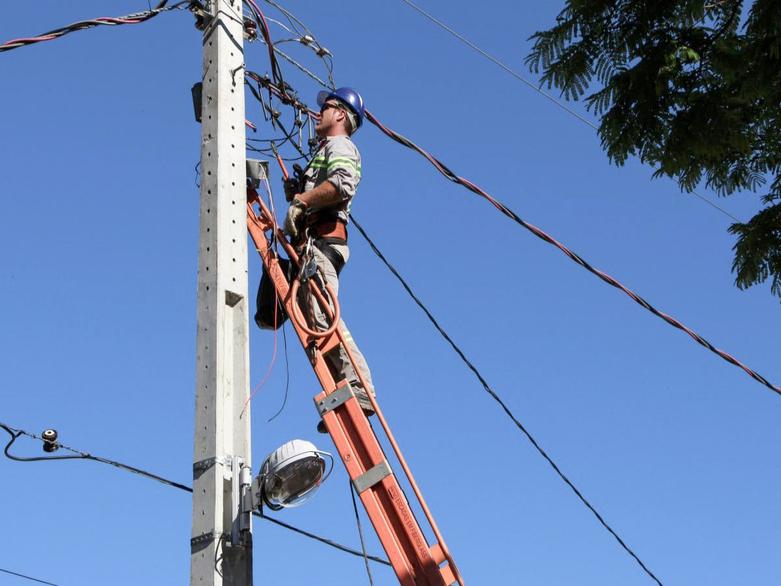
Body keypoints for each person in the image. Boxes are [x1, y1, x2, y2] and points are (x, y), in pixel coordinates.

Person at [283, 87, 376, 429]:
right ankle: (346, 391)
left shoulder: (340, 146)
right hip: (317, 241)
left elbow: (341, 184)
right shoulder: (326, 150)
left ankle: (358, 386)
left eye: (326, 107)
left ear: (340, 114)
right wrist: (298, 194)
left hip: (323, 243)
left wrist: (302, 201)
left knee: (324, 317)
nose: (318, 112)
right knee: (316, 319)